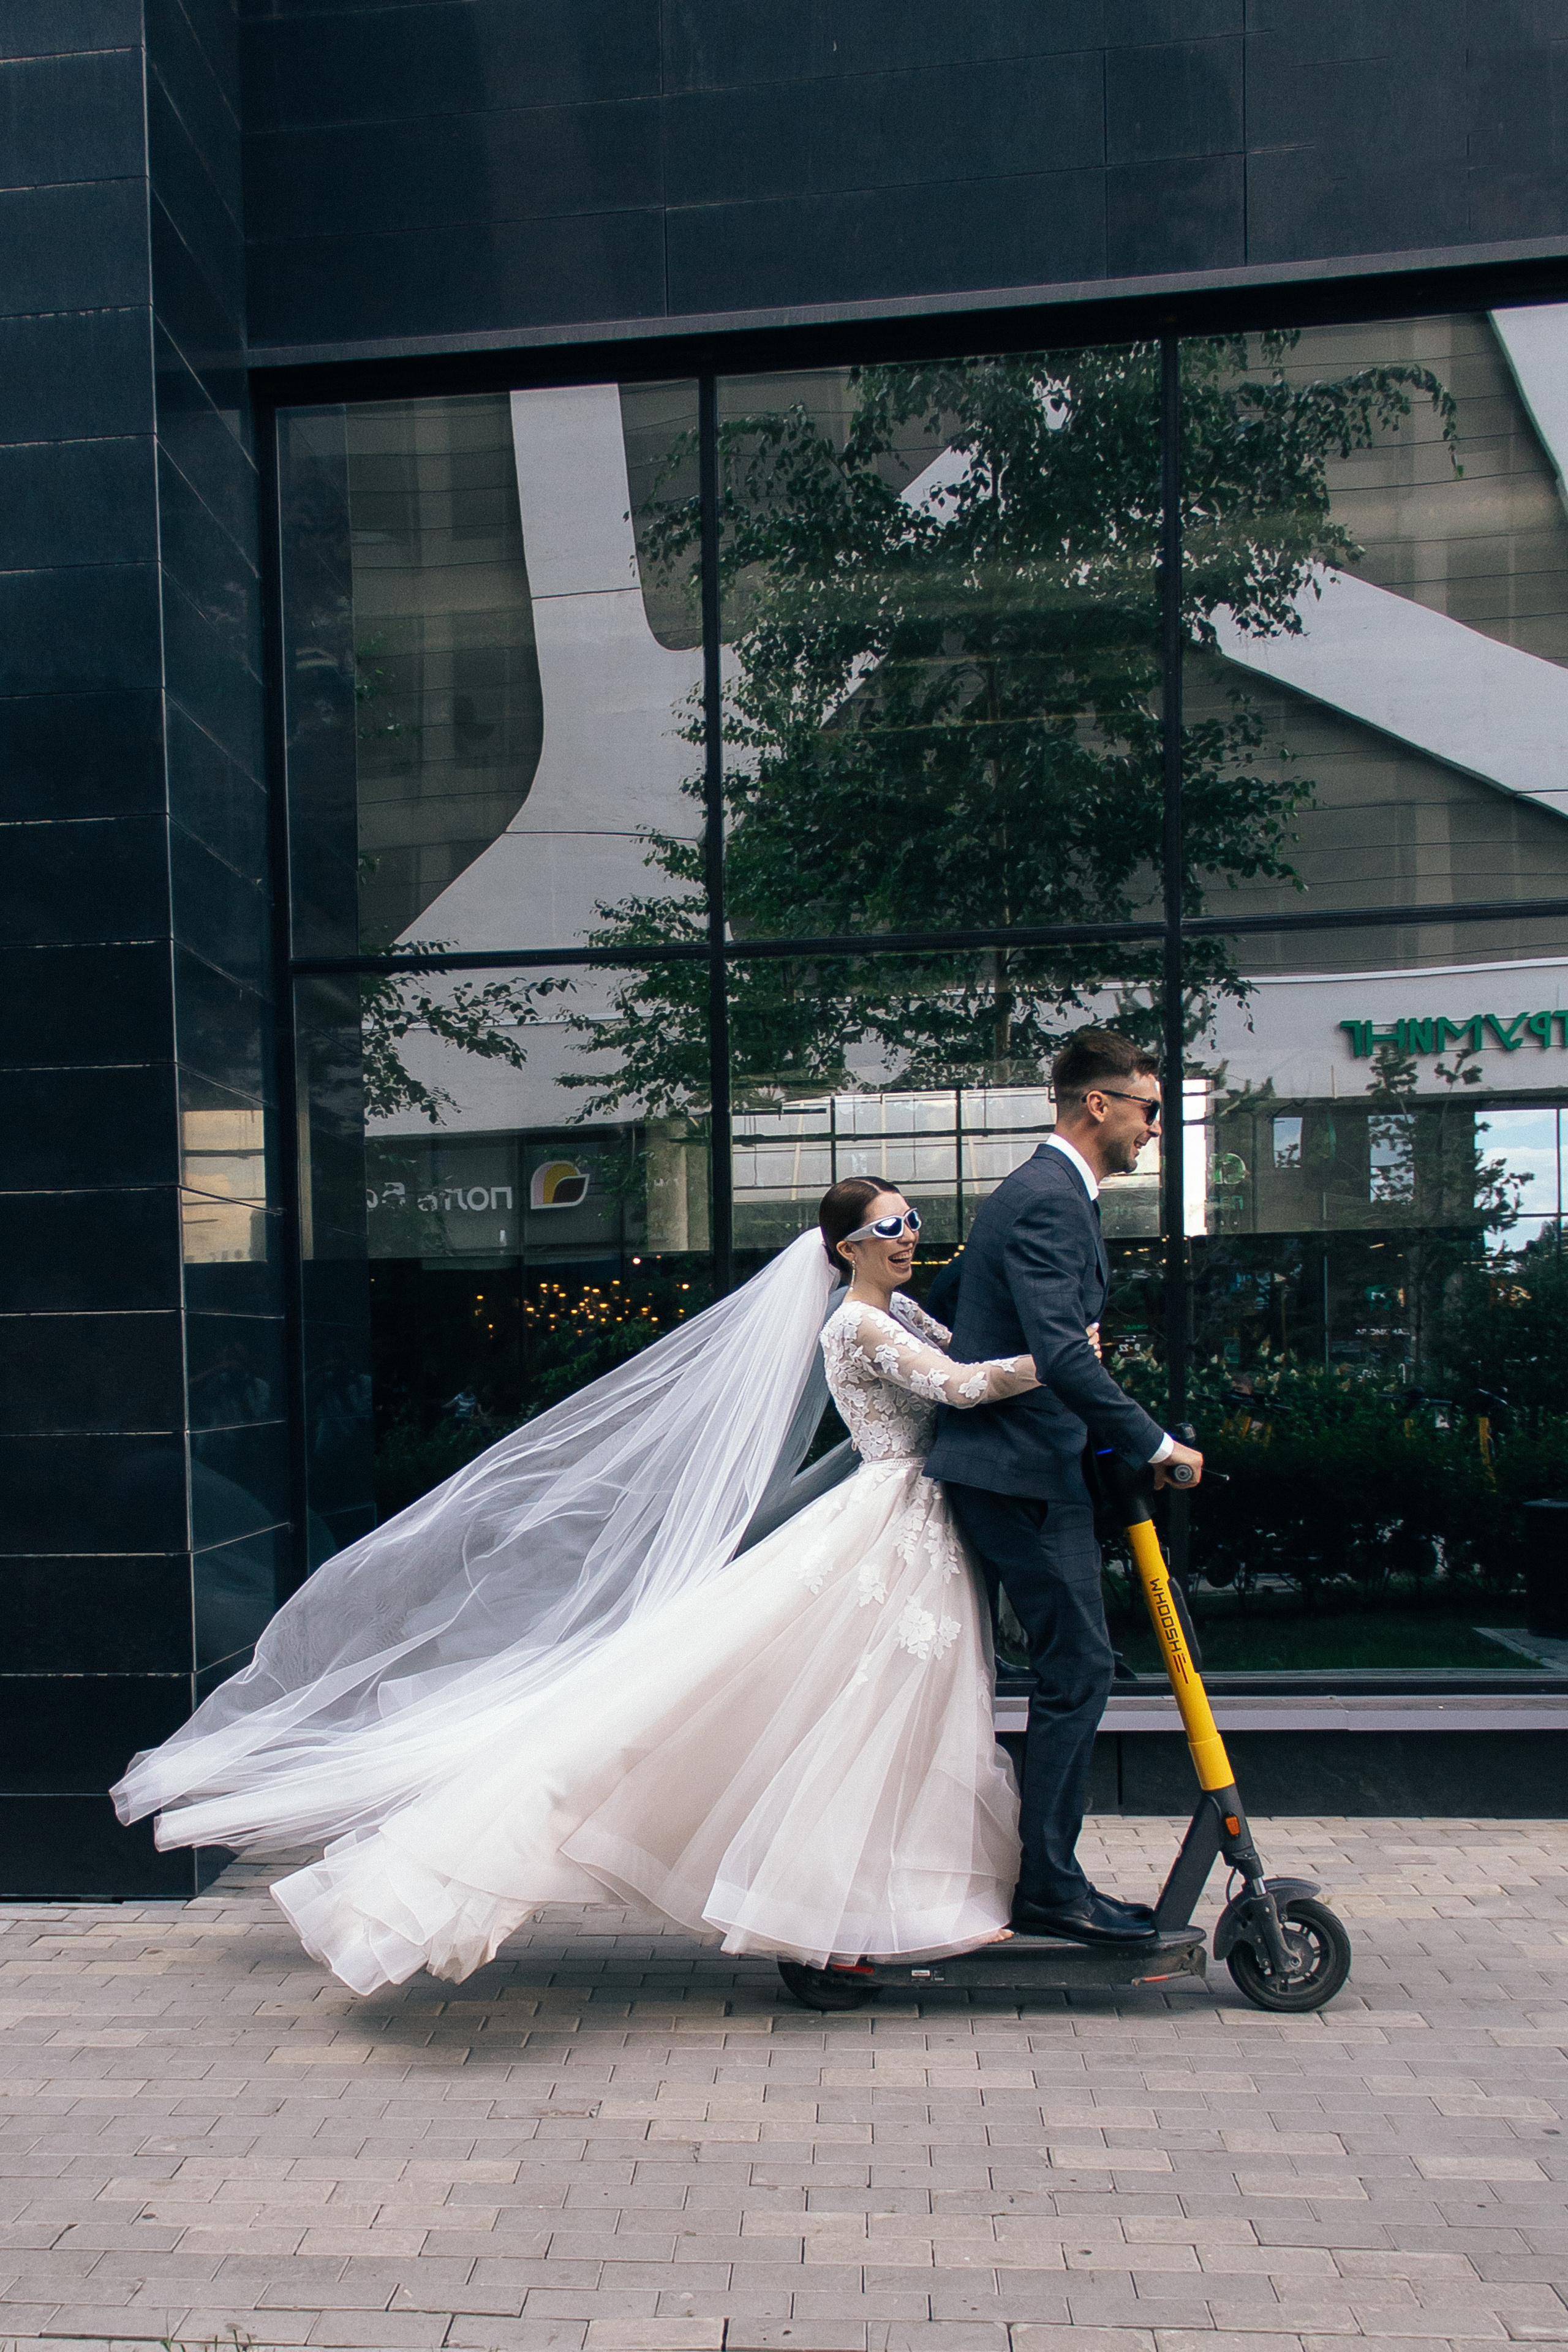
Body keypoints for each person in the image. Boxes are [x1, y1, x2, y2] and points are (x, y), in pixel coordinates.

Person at [113, 1183, 1038, 1996]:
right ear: (845, 1247)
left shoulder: (904, 1312)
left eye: (911, 1220)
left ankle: (895, 1896)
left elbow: (953, 1357)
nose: (907, 1235)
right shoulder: (857, 1323)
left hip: (911, 1522)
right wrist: (1057, 1358)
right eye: (888, 1226)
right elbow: (957, 1389)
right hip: (884, 1520)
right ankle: (837, 1905)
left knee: (888, 1715)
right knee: (821, 1713)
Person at [925, 1027, 1204, 1945]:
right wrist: (1157, 1442)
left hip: (1022, 1466)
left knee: (1062, 1667)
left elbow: (963, 1300)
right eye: (1148, 1108)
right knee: (1077, 1667)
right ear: (1099, 1104)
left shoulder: (1035, 1196)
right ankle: (1050, 1886)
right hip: (1021, 1475)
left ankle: (1045, 1874)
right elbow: (1057, 1354)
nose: (1153, 1128)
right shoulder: (1048, 1199)